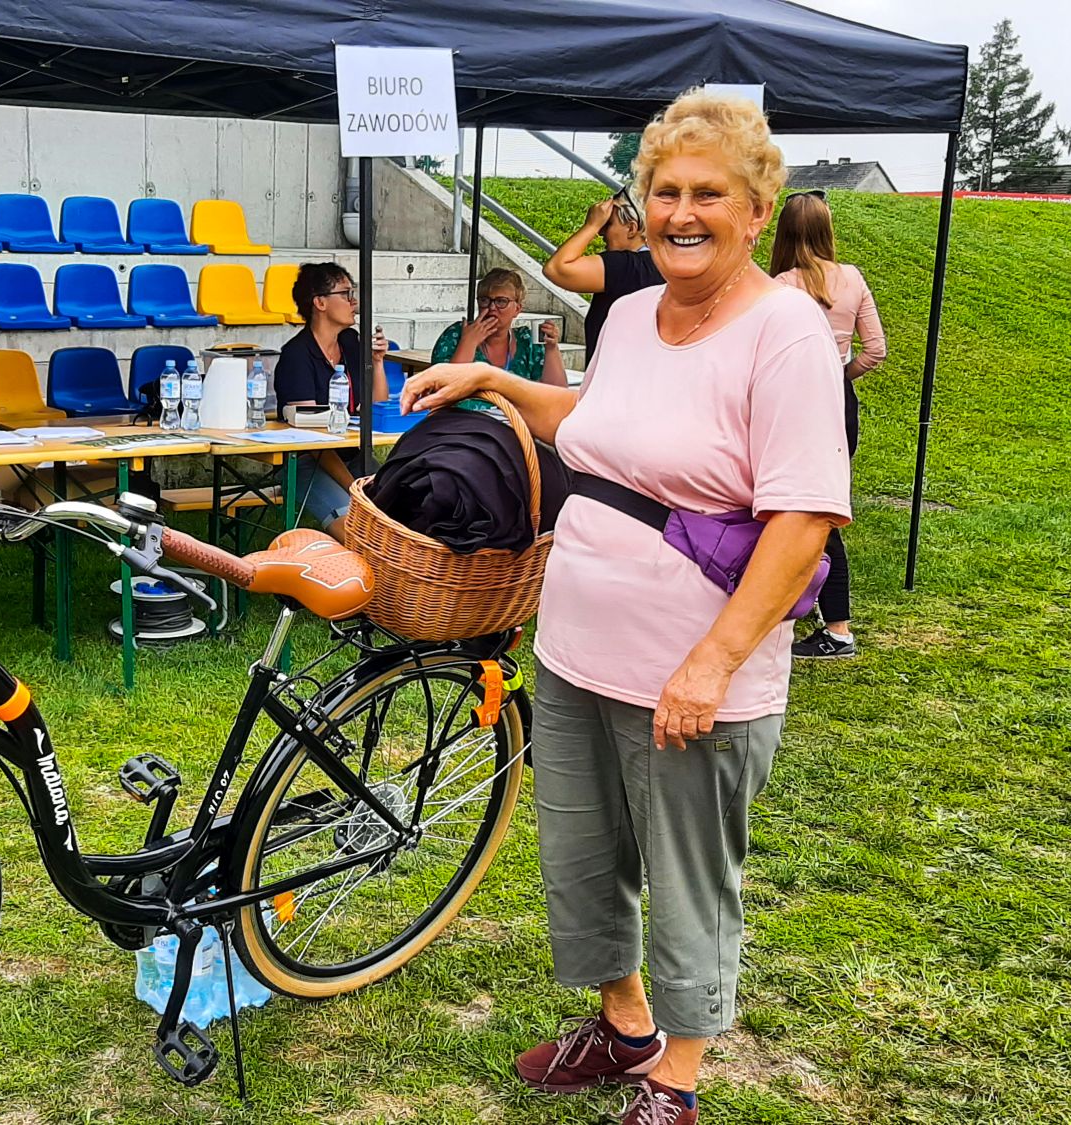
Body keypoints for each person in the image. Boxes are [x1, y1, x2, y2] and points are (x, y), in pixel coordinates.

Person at [401, 89, 849, 1125]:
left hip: (691, 669)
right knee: (580, 854)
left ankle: (675, 1079)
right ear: (640, 205)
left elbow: (801, 523)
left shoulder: (783, 333)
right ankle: (622, 1023)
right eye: (664, 191)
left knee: (689, 878)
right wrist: (492, 379)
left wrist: (709, 664)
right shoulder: (636, 312)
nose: (681, 211)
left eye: (708, 194)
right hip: (574, 650)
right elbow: (598, 425)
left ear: (753, 210)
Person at [769, 189, 885, 660]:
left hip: (796, 403)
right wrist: (840, 375)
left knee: (793, 512)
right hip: (840, 402)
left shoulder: (780, 286)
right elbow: (875, 349)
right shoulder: (852, 278)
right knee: (824, 511)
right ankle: (826, 621)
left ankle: (832, 626)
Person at [270, 261, 387, 528]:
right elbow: (314, 442)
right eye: (345, 294)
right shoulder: (296, 356)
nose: (353, 301)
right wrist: (354, 489)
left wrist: (377, 362)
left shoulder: (350, 342)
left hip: (352, 457)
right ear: (320, 302)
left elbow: (377, 406)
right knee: (354, 525)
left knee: (401, 511)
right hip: (305, 463)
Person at [542, 187, 665, 358]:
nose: (601, 232)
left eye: (607, 224)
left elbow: (556, 269)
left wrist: (591, 225)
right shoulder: (668, 266)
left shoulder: (626, 266)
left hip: (615, 379)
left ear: (632, 228)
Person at [430, 268, 568, 386]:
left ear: (517, 309)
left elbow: (557, 391)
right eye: (485, 300)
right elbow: (446, 388)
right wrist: (469, 343)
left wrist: (551, 348)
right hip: (466, 416)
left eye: (501, 301)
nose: (491, 308)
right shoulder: (456, 335)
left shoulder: (527, 341)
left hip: (516, 416)